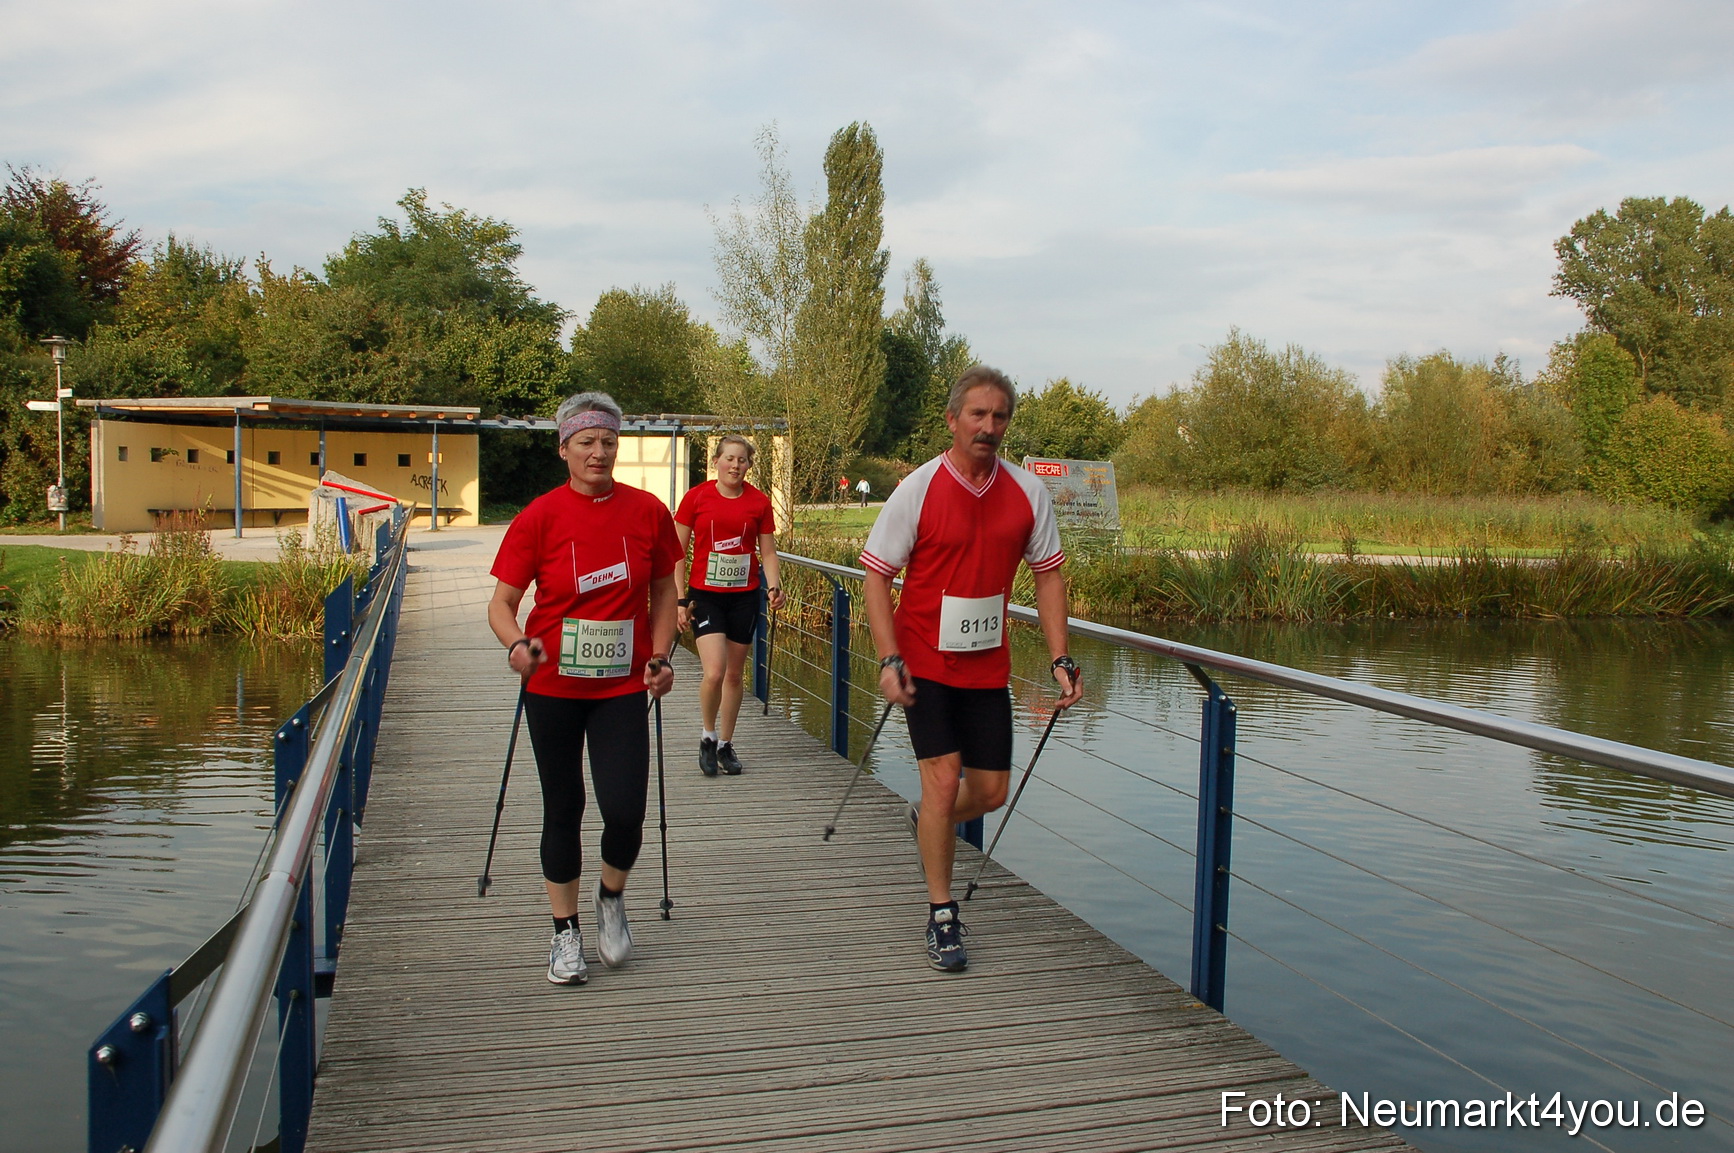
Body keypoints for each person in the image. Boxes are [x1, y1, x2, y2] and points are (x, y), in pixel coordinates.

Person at [861, 365, 1084, 972]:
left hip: (987, 668)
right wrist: (889, 657)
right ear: (953, 420)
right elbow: (877, 574)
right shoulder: (920, 488)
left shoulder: (1026, 493)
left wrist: (1061, 655)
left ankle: (928, 819)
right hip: (924, 664)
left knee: (988, 791)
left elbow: (1049, 575)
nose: (988, 427)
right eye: (977, 415)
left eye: (1000, 417)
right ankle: (942, 913)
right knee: (942, 779)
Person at [488, 391, 680, 985]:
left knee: (625, 811)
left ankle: (611, 897)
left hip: (622, 685)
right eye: (586, 442)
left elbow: (664, 593)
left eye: (608, 442)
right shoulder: (540, 516)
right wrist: (516, 645)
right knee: (563, 807)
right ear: (564, 448)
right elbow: (502, 604)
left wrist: (662, 653)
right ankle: (564, 932)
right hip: (553, 686)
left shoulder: (648, 511)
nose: (599, 453)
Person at [674, 434, 785, 776]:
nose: (735, 465)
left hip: (743, 595)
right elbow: (676, 552)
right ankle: (707, 737)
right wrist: (679, 600)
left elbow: (767, 551)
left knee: (735, 675)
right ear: (716, 462)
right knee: (715, 671)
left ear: (749, 465)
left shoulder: (759, 503)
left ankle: (725, 744)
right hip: (705, 596)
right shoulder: (696, 498)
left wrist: (774, 585)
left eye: (742, 460)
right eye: (729, 459)